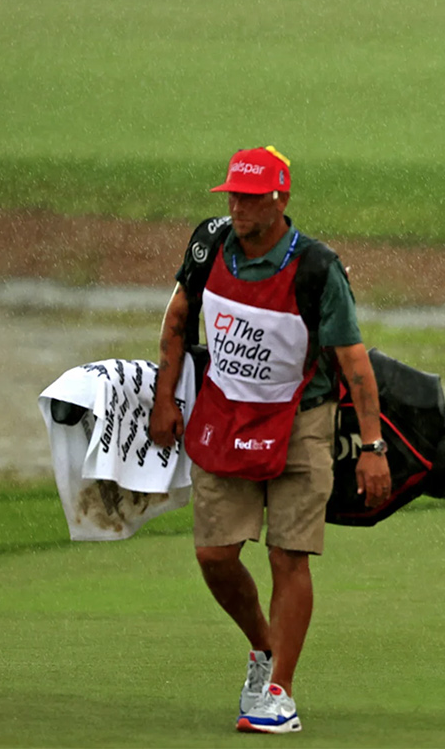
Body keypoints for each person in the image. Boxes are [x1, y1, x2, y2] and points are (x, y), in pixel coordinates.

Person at [149, 146, 391, 732]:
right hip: (224, 414)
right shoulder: (209, 245)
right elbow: (179, 319)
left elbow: (353, 363)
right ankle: (263, 646)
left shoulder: (316, 267)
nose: (237, 206)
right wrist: (162, 398)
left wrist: (371, 446)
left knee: (288, 554)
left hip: (302, 420)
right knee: (213, 554)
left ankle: (277, 689)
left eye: (250, 198)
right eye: (232, 195)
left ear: (279, 200)